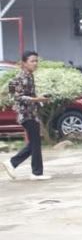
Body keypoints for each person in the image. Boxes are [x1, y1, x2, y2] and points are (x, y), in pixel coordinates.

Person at [2, 51, 51, 181]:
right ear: (24, 63)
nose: (35, 64)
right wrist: (36, 99)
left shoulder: (29, 76)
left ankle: (12, 163)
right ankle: (36, 172)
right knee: (35, 143)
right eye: (32, 61)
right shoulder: (21, 77)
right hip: (26, 114)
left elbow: (28, 95)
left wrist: (40, 99)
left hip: (31, 113)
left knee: (35, 143)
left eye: (36, 61)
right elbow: (16, 97)